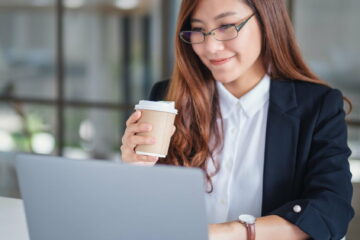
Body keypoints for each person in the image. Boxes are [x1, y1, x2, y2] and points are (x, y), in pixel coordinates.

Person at [120, 0, 354, 239]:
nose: (210, 47)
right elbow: (149, 214)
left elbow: (330, 212)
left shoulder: (316, 106)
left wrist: (224, 232)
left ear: (266, 22)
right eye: (198, 30)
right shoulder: (169, 98)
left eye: (227, 26)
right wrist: (135, 171)